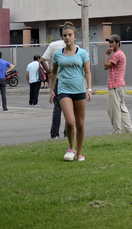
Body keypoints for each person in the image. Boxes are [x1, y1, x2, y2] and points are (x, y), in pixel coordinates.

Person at [50, 22, 92, 161]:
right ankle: (71, 148)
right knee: (70, 121)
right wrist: (51, 90)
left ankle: (80, 152)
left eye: (69, 35)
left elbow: (87, 72)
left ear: (75, 36)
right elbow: (54, 73)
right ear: (62, 37)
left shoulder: (82, 53)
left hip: (79, 91)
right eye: (65, 35)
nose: (67, 37)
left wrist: (89, 89)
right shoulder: (57, 55)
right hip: (64, 91)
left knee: (80, 124)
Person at [104, 34, 132, 134]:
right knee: (121, 108)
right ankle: (129, 129)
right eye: (109, 42)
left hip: (115, 85)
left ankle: (117, 130)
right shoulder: (119, 53)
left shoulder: (117, 54)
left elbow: (106, 66)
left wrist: (107, 55)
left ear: (118, 43)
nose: (110, 44)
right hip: (119, 85)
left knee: (113, 109)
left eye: (112, 42)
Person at [40, 34, 66, 140]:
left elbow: (42, 60)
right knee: (70, 108)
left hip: (58, 79)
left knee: (57, 107)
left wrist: (48, 72)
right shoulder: (76, 48)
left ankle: (54, 134)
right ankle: (67, 133)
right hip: (69, 80)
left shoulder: (53, 45)